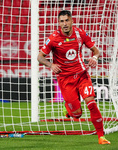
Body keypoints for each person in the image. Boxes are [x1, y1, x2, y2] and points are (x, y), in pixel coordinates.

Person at [37, 10, 110, 145]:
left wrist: (94, 58)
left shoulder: (80, 34)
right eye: (61, 21)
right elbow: (39, 57)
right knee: (77, 115)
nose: (64, 24)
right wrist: (50, 64)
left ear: (71, 21)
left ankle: (101, 136)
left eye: (66, 20)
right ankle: (68, 108)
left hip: (81, 75)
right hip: (65, 80)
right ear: (59, 23)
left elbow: (96, 51)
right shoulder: (53, 38)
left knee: (91, 103)